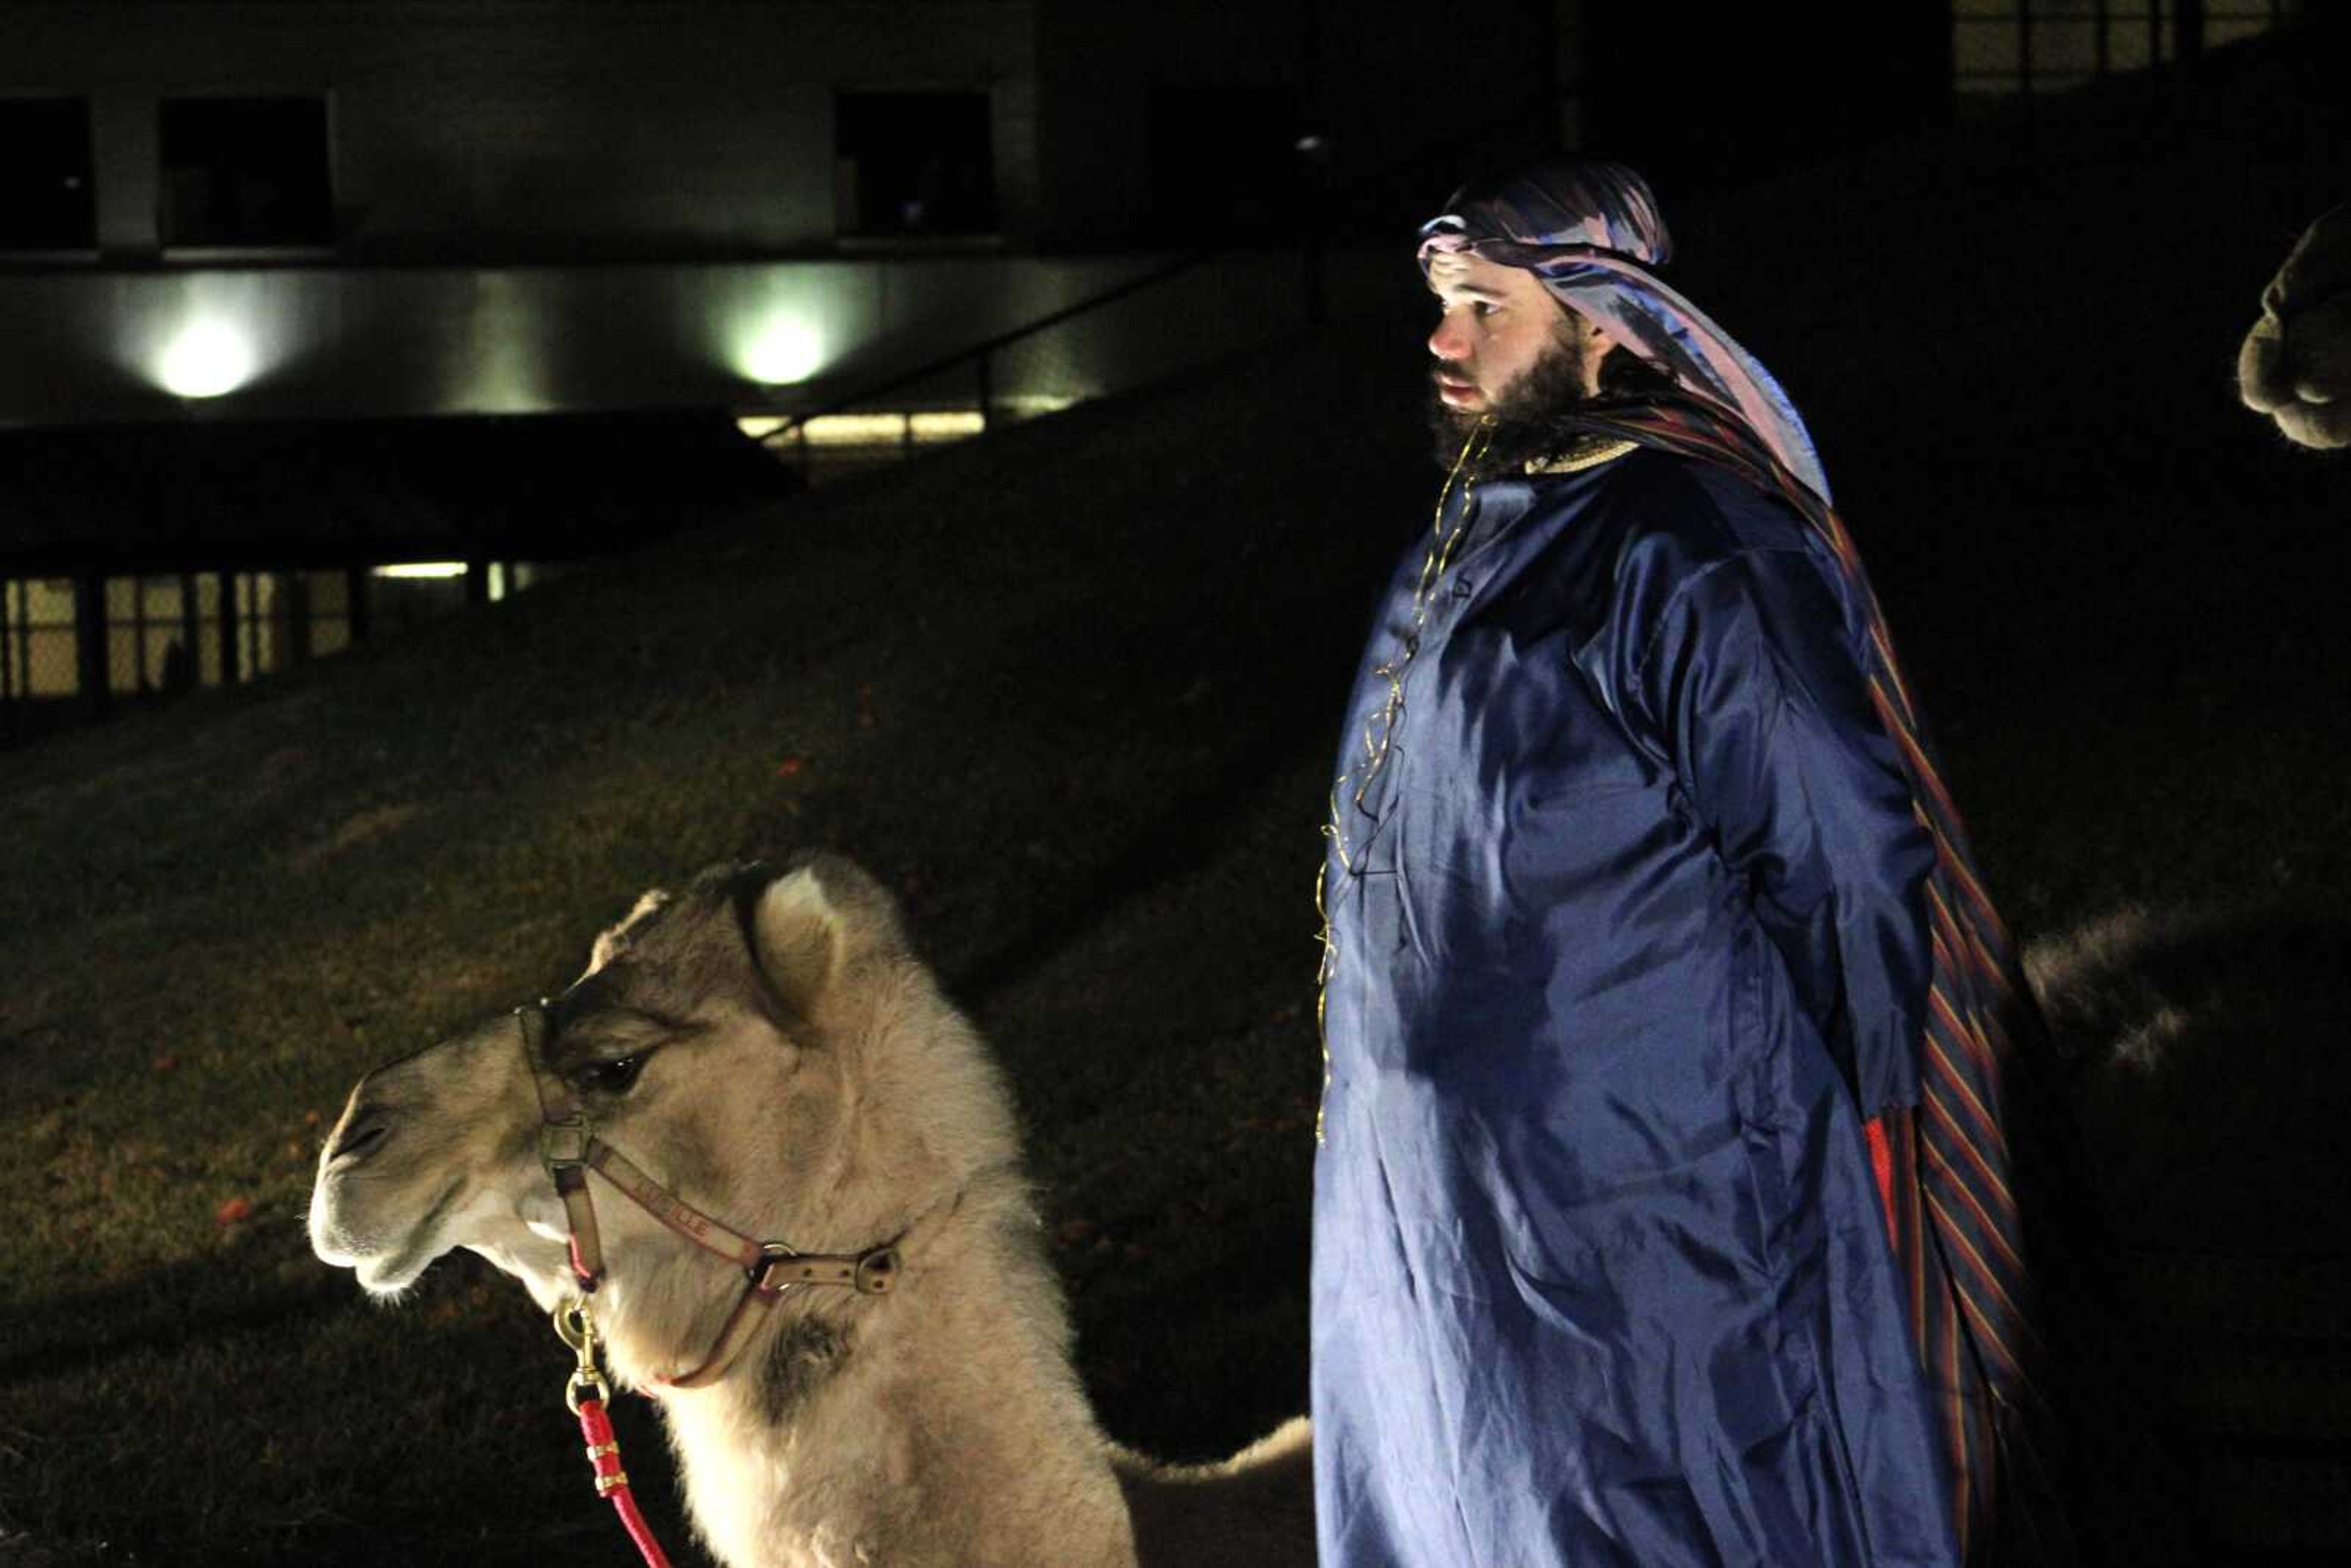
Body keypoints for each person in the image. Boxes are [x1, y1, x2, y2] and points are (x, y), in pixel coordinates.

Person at [1311, 161, 2069, 1567]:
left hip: (1660, 1220)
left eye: (1484, 306)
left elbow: (1843, 854)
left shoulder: (1689, 542)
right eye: (1441, 306)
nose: (1444, 340)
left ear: (1606, 323)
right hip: (1448, 1225)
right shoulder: (1471, 539)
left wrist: (1873, 1116)